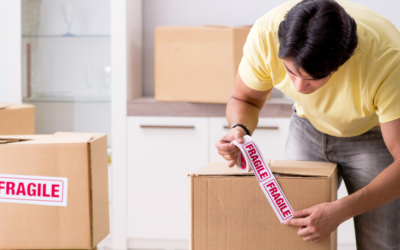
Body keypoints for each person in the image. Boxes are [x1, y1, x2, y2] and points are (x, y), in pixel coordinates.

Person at [215, 0, 400, 249]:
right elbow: (244, 98)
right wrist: (239, 129)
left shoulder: (388, 60)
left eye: (313, 79)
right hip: (307, 127)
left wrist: (341, 210)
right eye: (291, 72)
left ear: (341, 62)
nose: (299, 88)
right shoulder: (265, 35)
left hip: (374, 134)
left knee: (382, 243)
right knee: (299, 237)